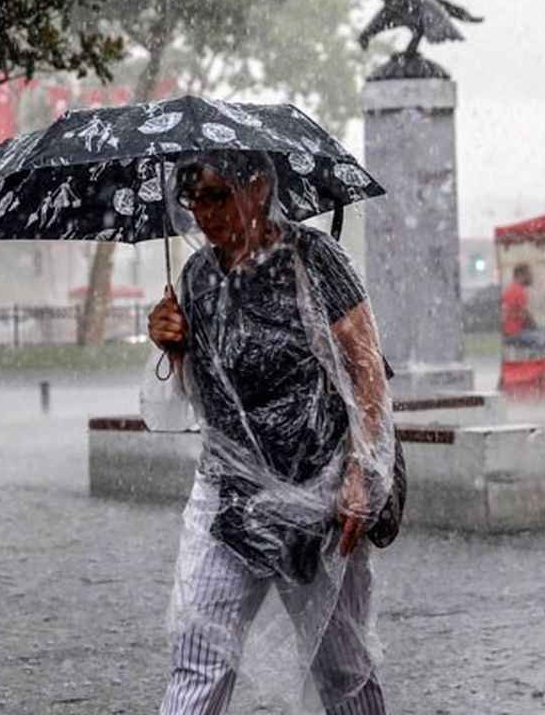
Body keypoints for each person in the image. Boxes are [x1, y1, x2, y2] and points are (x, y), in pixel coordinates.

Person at [147, 151, 395, 714]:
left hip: (318, 497)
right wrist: (170, 345)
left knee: (344, 670)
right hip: (228, 498)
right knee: (198, 655)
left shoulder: (315, 261)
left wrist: (363, 473)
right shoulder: (197, 278)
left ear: (258, 187)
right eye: (192, 199)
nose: (202, 213)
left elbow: (367, 371)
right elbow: (199, 396)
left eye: (215, 195)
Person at [501, 263, 545, 354]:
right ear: (521, 275)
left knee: (543, 332)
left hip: (508, 333)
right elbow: (525, 316)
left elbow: (519, 314)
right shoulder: (519, 291)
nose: (531, 277)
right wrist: (536, 327)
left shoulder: (511, 289)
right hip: (514, 334)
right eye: (529, 274)